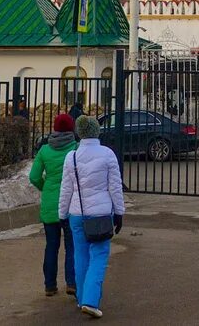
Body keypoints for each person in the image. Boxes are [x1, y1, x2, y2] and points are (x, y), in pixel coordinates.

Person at [59, 116, 126, 319]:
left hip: (76, 214)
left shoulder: (71, 157)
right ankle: (90, 300)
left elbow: (66, 189)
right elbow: (115, 186)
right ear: (97, 131)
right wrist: (119, 212)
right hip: (100, 214)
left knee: (80, 255)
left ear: (79, 133)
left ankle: (81, 297)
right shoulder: (107, 154)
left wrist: (62, 213)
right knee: (99, 256)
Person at [29, 113, 78, 297]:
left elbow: (33, 177)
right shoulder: (75, 148)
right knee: (71, 245)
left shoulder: (44, 150)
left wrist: (46, 188)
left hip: (50, 204)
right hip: (70, 203)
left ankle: (50, 285)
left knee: (51, 245)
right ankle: (71, 282)